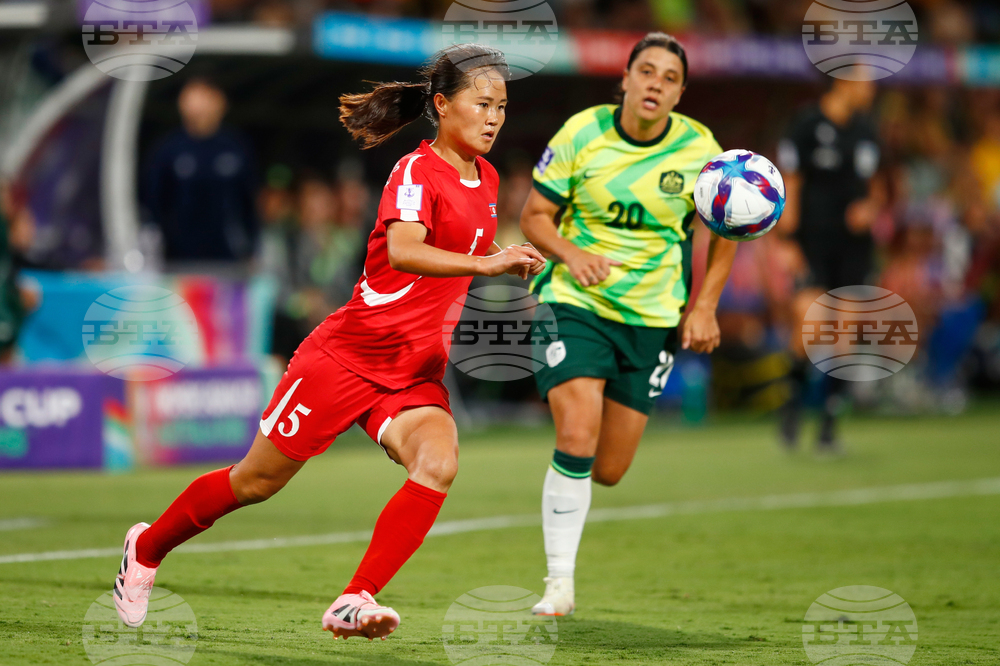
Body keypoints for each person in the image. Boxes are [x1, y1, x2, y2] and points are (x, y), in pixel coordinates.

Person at [113, 44, 546, 641]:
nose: (494, 117)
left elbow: (463, 241)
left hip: (412, 371)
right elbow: (405, 250)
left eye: (501, 106)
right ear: (443, 105)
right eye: (482, 103)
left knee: (438, 463)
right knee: (254, 482)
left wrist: (505, 255)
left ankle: (354, 598)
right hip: (348, 357)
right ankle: (146, 549)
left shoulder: (488, 178)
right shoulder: (415, 172)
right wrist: (487, 265)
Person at [519, 32, 738, 616]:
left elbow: (727, 230)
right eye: (646, 71)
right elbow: (534, 215)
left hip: (652, 317)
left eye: (669, 78)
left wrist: (705, 305)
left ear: (680, 93)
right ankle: (559, 584)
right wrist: (571, 255)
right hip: (576, 302)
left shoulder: (700, 149)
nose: (655, 84)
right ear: (625, 79)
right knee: (577, 435)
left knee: (609, 469)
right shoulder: (582, 132)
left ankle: (570, 479)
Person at [776, 78, 882, 452]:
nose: (870, 88)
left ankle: (828, 426)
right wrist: (787, 241)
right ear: (843, 80)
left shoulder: (867, 129)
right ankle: (792, 407)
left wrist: (870, 208)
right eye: (865, 80)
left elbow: (877, 186)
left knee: (845, 335)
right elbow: (791, 182)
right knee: (810, 324)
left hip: (853, 249)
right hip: (812, 244)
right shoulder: (806, 124)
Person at [145, 78, 259, 263]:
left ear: (220, 102)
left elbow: (249, 203)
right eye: (190, 97)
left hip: (228, 256)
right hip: (178, 257)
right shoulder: (169, 149)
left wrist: (252, 248)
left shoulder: (235, 147)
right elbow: (153, 202)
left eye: (203, 96)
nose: (196, 104)